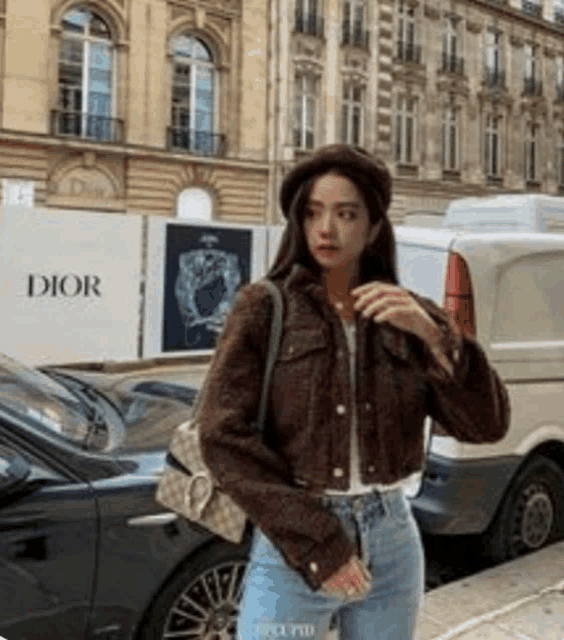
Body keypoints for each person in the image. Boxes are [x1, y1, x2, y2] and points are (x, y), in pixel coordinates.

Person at [198, 144, 510, 640]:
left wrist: (436, 336)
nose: (327, 229)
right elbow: (220, 436)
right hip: (294, 546)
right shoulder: (264, 307)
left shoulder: (408, 314)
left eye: (346, 214)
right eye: (314, 212)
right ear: (298, 222)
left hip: (392, 535)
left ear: (373, 226)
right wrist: (323, 545)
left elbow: (486, 425)